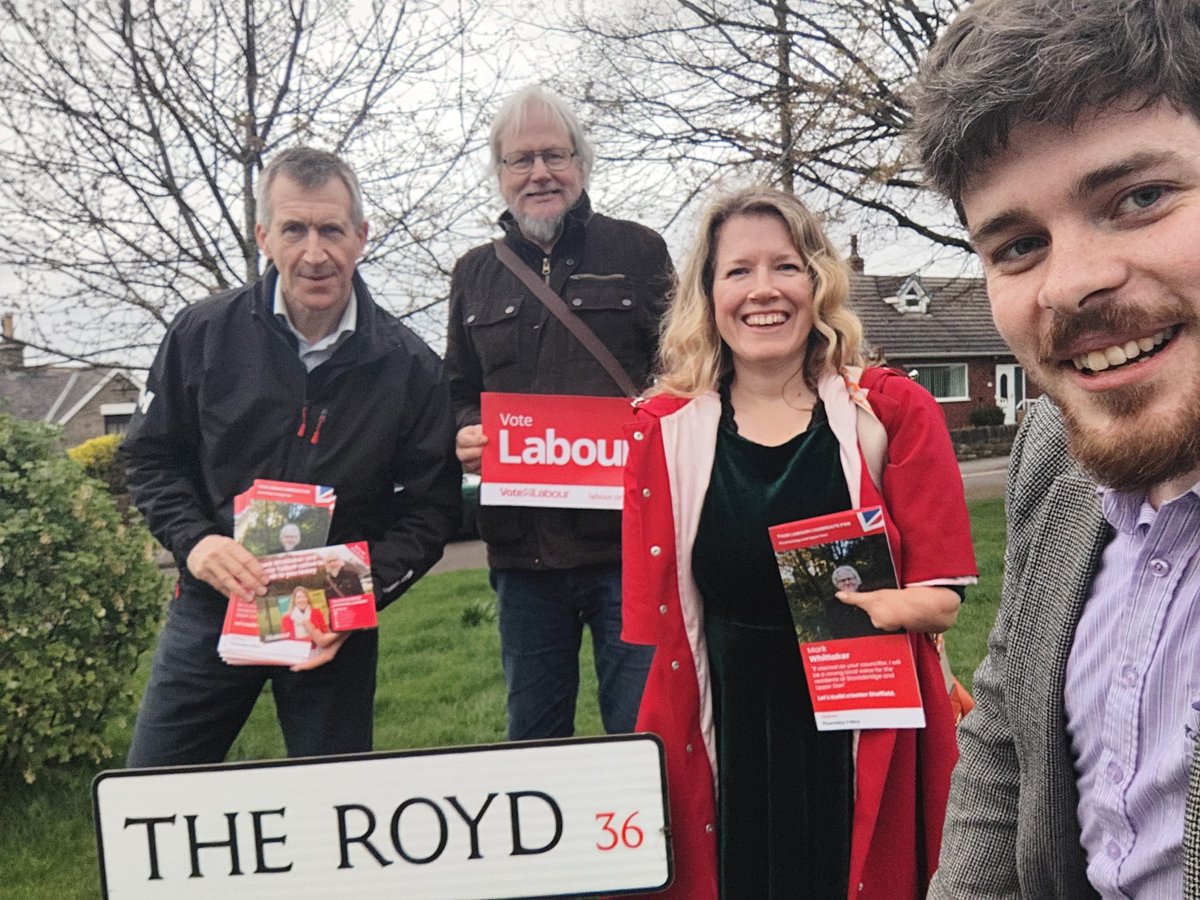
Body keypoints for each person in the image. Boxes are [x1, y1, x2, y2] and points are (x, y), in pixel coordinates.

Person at [911, 2, 1200, 897]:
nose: (1070, 285)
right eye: (1018, 245)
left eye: (1139, 198)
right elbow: (1005, 740)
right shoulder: (1053, 451)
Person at [622, 186, 977, 899]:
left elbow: (942, 602)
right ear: (708, 292)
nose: (763, 291)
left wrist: (864, 604)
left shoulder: (890, 411)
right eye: (738, 271)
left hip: (859, 717)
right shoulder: (660, 430)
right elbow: (656, 623)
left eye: (785, 266)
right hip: (727, 717)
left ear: (818, 281)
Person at [121, 146, 460, 766]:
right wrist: (196, 542)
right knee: (152, 794)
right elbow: (149, 457)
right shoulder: (201, 333)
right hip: (213, 604)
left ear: (361, 236)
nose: (314, 253)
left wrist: (356, 592)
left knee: (335, 813)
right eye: (294, 229)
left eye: (331, 229)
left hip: (331, 615)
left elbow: (432, 512)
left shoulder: (411, 368)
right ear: (263, 237)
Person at [444, 85, 674, 740]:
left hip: (625, 550)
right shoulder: (474, 274)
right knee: (534, 741)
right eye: (521, 160)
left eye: (554, 155)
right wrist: (465, 431)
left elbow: (685, 373)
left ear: (582, 162)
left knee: (641, 736)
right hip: (523, 559)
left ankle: (642, 842)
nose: (539, 173)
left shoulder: (638, 251)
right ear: (500, 175)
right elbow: (457, 384)